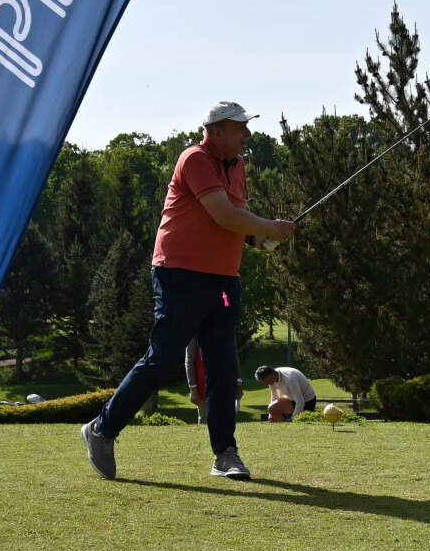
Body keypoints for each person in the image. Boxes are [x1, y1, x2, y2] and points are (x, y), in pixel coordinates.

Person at [82, 102, 295, 480]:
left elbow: (234, 223)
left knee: (223, 366)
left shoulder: (237, 166)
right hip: (180, 275)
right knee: (163, 358)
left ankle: (225, 454)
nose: (247, 134)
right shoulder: (195, 159)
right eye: (239, 128)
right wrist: (269, 226)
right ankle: (102, 429)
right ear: (215, 132)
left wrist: (260, 239)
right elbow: (223, 214)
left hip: (224, 282)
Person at [184, 336, 241, 426]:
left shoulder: (227, 328)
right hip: (204, 388)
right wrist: (193, 389)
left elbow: (234, 356)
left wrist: (238, 382)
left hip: (226, 386)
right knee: (206, 423)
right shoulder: (195, 330)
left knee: (226, 424)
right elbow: (189, 361)